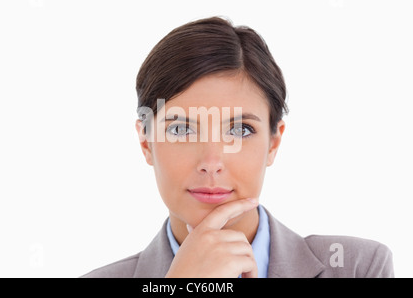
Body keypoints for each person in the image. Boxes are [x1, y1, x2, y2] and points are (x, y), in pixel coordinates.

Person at [82, 16, 394, 278]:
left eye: (240, 129)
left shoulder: (357, 267)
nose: (212, 161)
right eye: (180, 129)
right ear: (146, 142)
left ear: (273, 142)